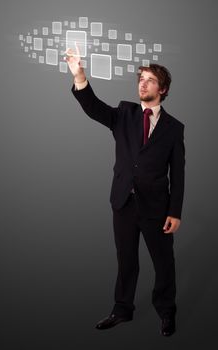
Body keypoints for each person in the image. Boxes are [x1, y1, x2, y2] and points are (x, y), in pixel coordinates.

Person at [64, 44, 185, 336]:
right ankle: (122, 310)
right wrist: (79, 76)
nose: (142, 83)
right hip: (124, 203)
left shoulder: (174, 127)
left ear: (163, 89)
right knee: (126, 261)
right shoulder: (124, 113)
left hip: (157, 208)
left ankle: (166, 312)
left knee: (163, 263)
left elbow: (178, 172)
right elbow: (93, 107)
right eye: (140, 78)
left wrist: (175, 212)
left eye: (150, 80)